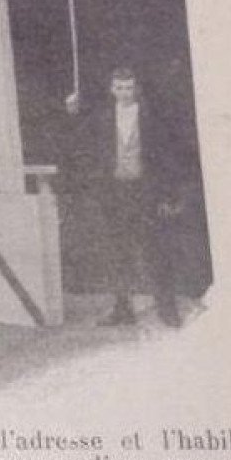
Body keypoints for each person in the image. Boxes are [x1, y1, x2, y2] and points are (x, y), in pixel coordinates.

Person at [69, 67, 184, 327]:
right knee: (118, 252)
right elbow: (81, 141)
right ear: (112, 90)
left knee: (155, 250)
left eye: (129, 87)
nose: (124, 93)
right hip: (114, 193)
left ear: (136, 89)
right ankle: (123, 309)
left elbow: (166, 157)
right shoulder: (103, 117)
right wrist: (72, 111)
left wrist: (168, 194)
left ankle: (168, 310)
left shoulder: (151, 117)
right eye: (119, 88)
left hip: (145, 192)